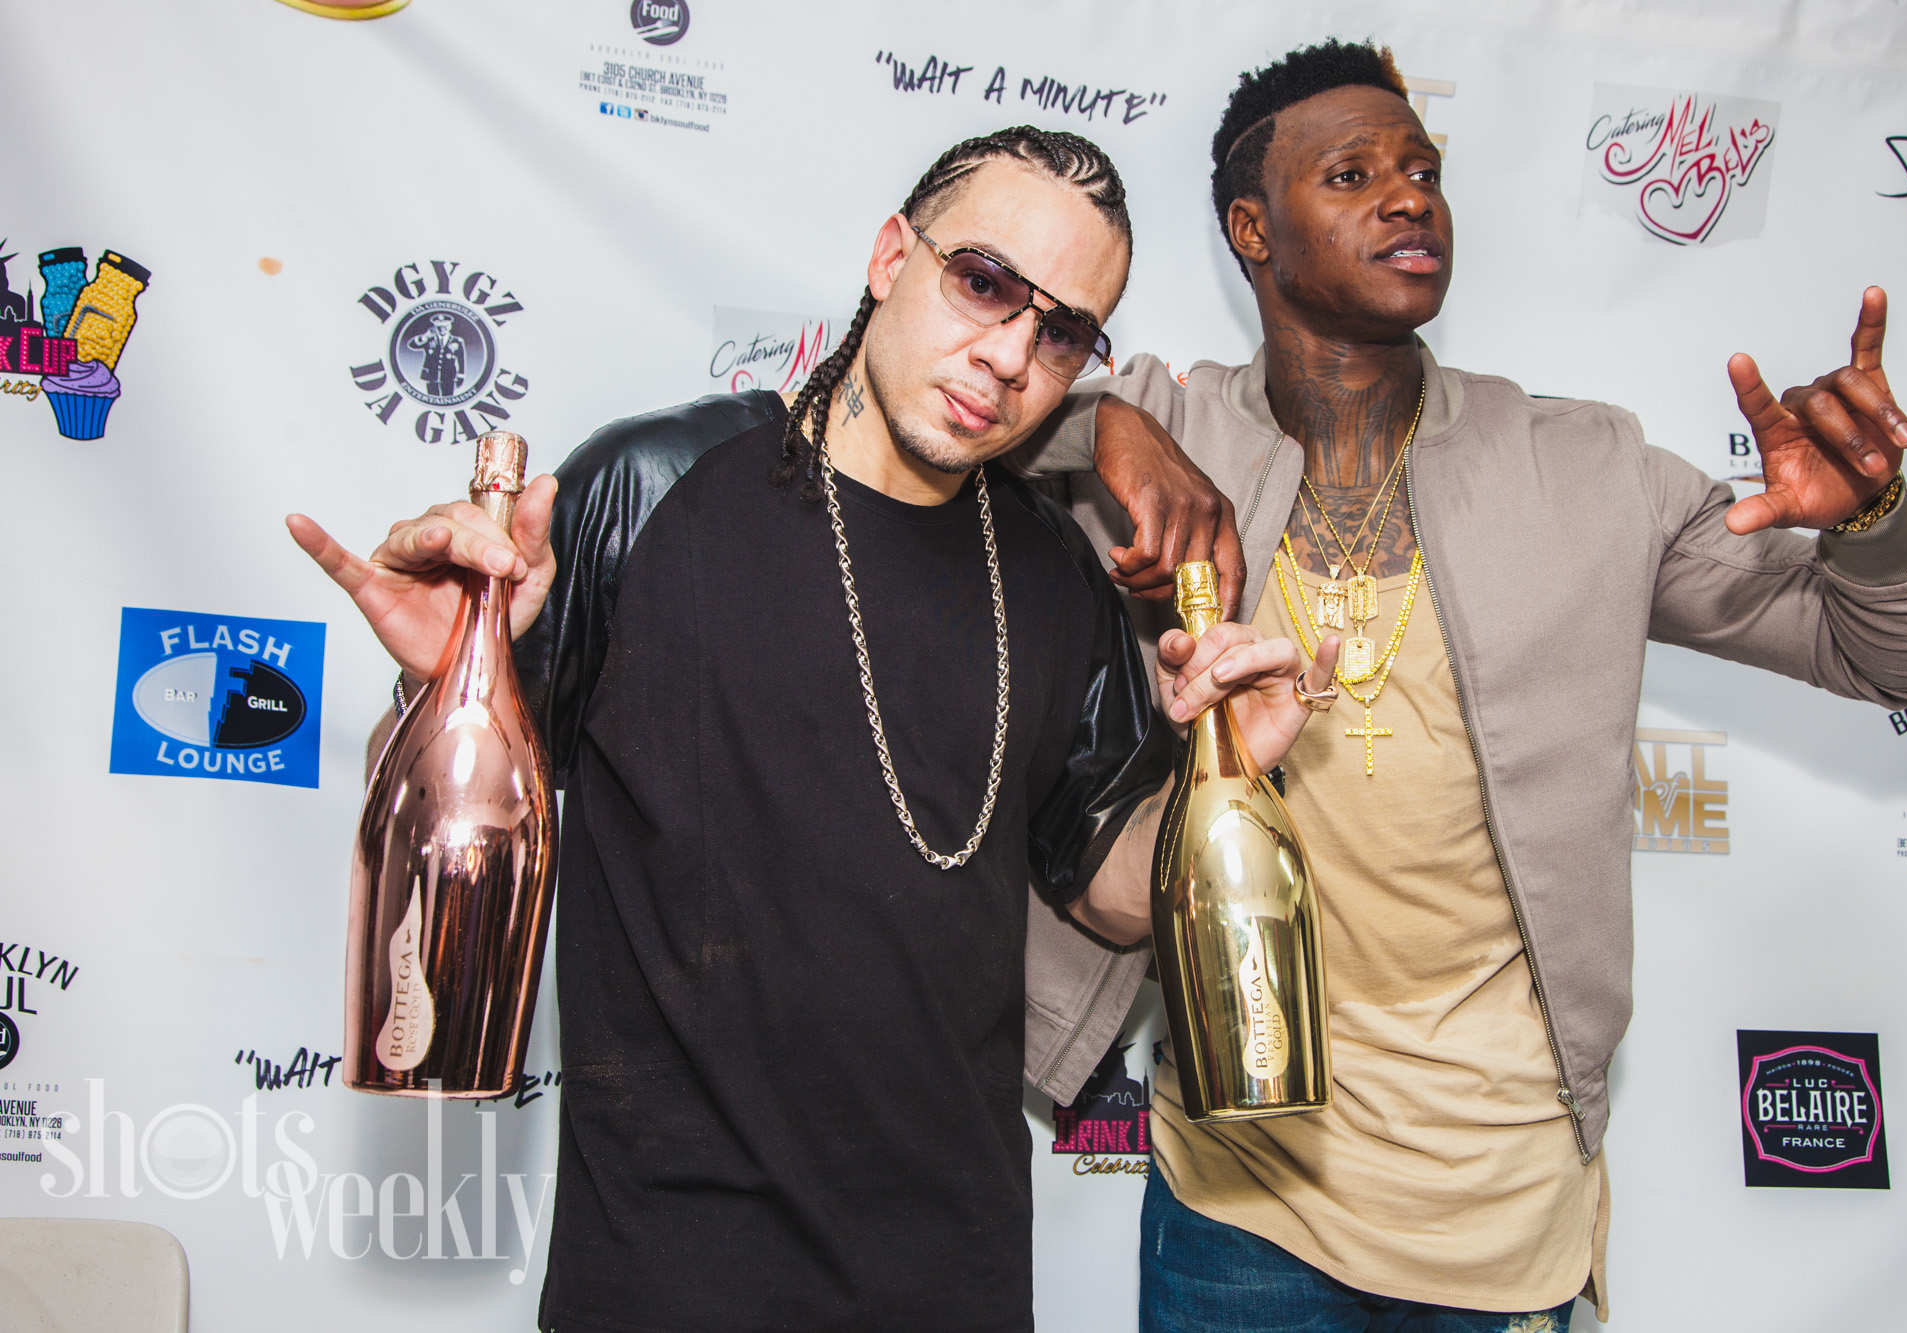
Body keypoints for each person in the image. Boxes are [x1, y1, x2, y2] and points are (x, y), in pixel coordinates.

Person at [1013, 41, 1907, 1333]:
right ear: (1251, 228)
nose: (1407, 196)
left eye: (1422, 169)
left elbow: (1906, 655)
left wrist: (1870, 519)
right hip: (1239, 1202)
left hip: (1505, 1209)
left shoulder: (1589, 468)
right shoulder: (1166, 438)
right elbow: (918, 420)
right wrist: (1103, 426)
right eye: (1350, 174)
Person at [288, 126, 1305, 1333]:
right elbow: (451, 820)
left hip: (955, 1279)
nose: (1008, 354)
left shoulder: (1050, 568)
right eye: (983, 282)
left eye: (1061, 331)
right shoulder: (651, 487)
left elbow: (1108, 891)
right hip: (666, 1282)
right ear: (889, 257)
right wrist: (440, 683)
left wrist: (1227, 774)